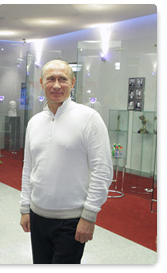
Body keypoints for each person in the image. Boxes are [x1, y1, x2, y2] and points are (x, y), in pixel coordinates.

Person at [19, 60, 113, 264]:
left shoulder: (89, 118)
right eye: (50, 79)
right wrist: (25, 209)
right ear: (41, 82)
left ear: (72, 83)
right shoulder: (34, 122)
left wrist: (89, 216)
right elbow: (29, 169)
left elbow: (102, 170)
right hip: (38, 216)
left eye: (63, 79)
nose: (56, 85)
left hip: (72, 220)